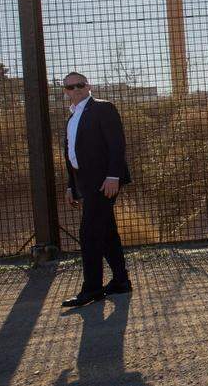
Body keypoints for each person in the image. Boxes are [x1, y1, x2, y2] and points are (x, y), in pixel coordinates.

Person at [60, 72, 133, 308]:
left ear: (88, 85)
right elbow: (72, 154)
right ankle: (121, 281)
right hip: (84, 182)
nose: (76, 89)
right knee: (106, 232)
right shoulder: (72, 117)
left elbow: (117, 144)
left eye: (80, 85)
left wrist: (113, 176)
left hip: (104, 182)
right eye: (70, 87)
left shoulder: (103, 108)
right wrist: (71, 185)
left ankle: (92, 289)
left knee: (89, 234)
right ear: (66, 91)